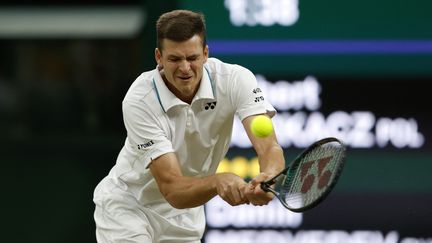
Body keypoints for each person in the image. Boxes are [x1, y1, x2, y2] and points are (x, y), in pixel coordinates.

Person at [93, 9, 285, 243]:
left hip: (186, 216)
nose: (185, 68)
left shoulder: (236, 79)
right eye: (174, 59)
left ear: (205, 54)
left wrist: (269, 178)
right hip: (129, 207)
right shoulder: (139, 100)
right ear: (158, 57)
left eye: (192, 58)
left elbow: (269, 148)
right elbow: (172, 188)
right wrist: (218, 181)